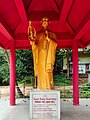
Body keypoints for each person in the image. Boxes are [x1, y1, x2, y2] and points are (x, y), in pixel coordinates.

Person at [28, 17, 57, 90]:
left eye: (46, 20)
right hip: (40, 56)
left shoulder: (52, 34)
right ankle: (40, 87)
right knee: (41, 72)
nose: (45, 22)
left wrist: (49, 39)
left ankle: (49, 87)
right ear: (41, 22)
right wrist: (32, 39)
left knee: (48, 73)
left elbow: (55, 44)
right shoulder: (37, 34)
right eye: (43, 20)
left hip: (48, 56)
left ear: (49, 22)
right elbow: (34, 44)